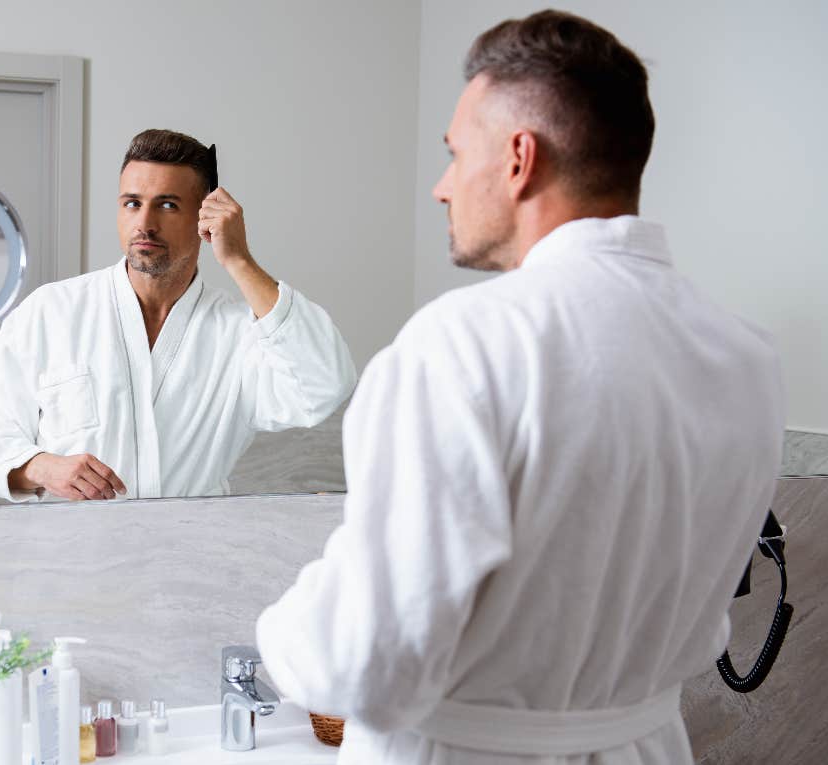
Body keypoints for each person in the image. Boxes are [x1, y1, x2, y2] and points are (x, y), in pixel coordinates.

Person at [255, 10, 784, 764]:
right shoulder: (745, 358)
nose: (440, 186)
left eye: (453, 153)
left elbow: (364, 664)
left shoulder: (464, 345)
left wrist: (284, 627)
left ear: (517, 158)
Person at [0, 129, 356, 502]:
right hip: (68, 561)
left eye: (167, 205)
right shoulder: (52, 312)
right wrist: (41, 467)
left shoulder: (239, 333)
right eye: (132, 203)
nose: (144, 224)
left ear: (206, 216)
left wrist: (239, 260)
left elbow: (322, 386)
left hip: (190, 563)